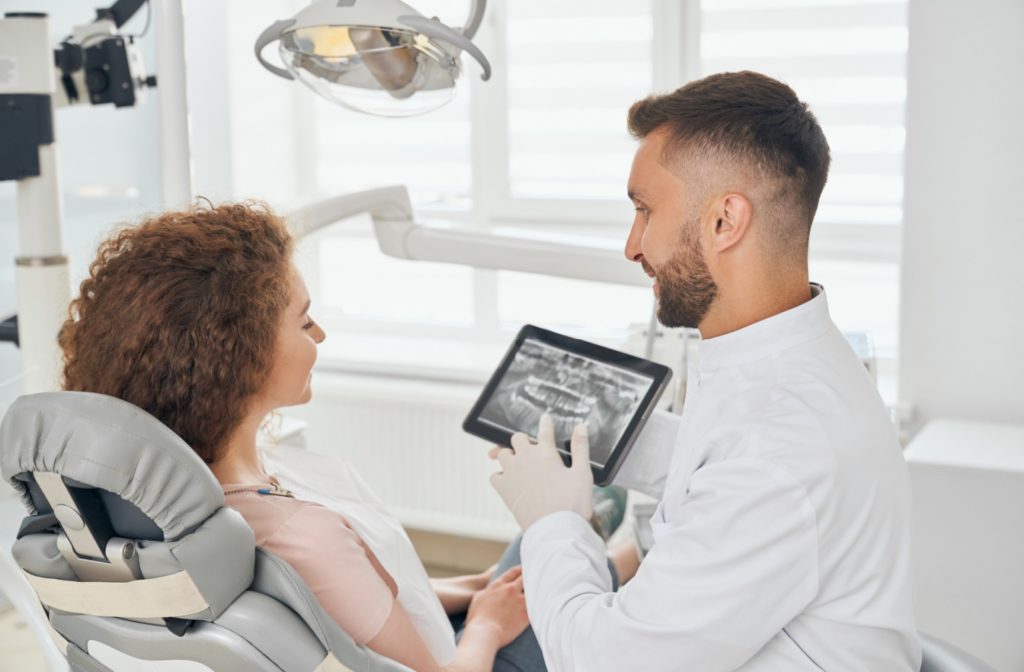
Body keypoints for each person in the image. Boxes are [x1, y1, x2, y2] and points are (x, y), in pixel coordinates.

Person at [57, 201, 638, 672]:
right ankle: (628, 554)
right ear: (244, 356)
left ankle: (620, 552)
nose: (321, 333)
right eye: (304, 320)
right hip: (468, 661)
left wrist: (478, 588)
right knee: (582, 528)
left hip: (427, 634)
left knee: (541, 546)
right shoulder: (303, 534)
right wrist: (487, 623)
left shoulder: (158, 503)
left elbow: (347, 609)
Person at [489, 71, 922, 671]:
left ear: (725, 221)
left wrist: (552, 519)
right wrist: (609, 428)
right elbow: (725, 462)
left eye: (644, 211)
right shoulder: (786, 358)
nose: (632, 245)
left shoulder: (784, 442)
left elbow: (601, 662)